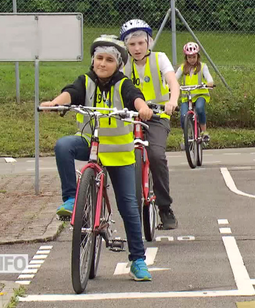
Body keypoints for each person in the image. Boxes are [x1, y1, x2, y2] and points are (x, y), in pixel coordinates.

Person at [41, 35, 153, 281]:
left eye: (109, 60)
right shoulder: (86, 81)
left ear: (118, 64)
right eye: (99, 58)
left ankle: (138, 260)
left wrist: (142, 107)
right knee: (63, 146)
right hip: (89, 144)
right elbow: (70, 93)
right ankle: (71, 199)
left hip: (119, 153)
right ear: (93, 61)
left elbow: (135, 96)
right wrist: (55, 103)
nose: (102, 64)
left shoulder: (123, 84)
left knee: (129, 207)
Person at [120, 19, 180, 230]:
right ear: (126, 46)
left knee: (156, 155)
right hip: (129, 117)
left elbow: (173, 82)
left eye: (140, 43)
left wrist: (172, 101)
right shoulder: (123, 63)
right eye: (131, 44)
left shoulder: (159, 58)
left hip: (157, 117)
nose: (137, 48)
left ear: (148, 42)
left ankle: (165, 208)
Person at [176, 42, 214, 141]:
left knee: (200, 108)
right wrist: (171, 85)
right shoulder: (182, 67)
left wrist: (209, 83)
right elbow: (174, 78)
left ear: (198, 56)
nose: (192, 59)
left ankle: (204, 132)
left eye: (194, 57)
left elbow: (209, 78)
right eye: (189, 57)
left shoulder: (202, 66)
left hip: (200, 94)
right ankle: (186, 134)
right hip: (186, 96)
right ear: (186, 58)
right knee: (183, 115)